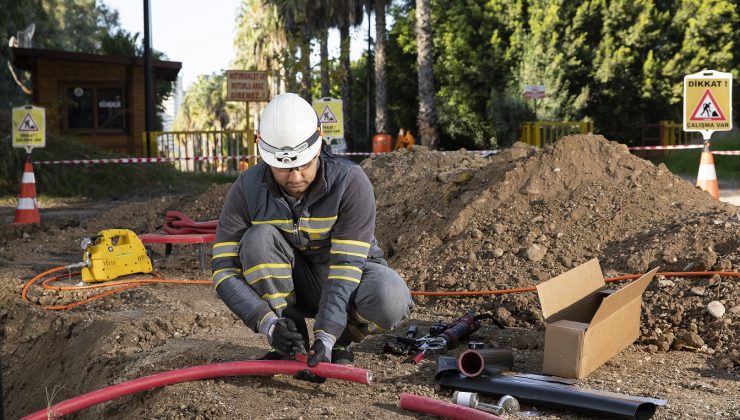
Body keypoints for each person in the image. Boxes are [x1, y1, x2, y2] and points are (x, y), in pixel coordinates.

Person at [211, 93, 412, 368]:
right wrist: (269, 324)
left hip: (349, 283)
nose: (295, 177)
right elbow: (223, 270)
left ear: (319, 144)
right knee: (257, 240)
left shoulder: (350, 182)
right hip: (295, 286)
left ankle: (341, 339)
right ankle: (290, 340)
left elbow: (345, 266)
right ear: (265, 154)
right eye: (284, 168)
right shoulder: (247, 188)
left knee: (391, 295)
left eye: (304, 164)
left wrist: (327, 337)